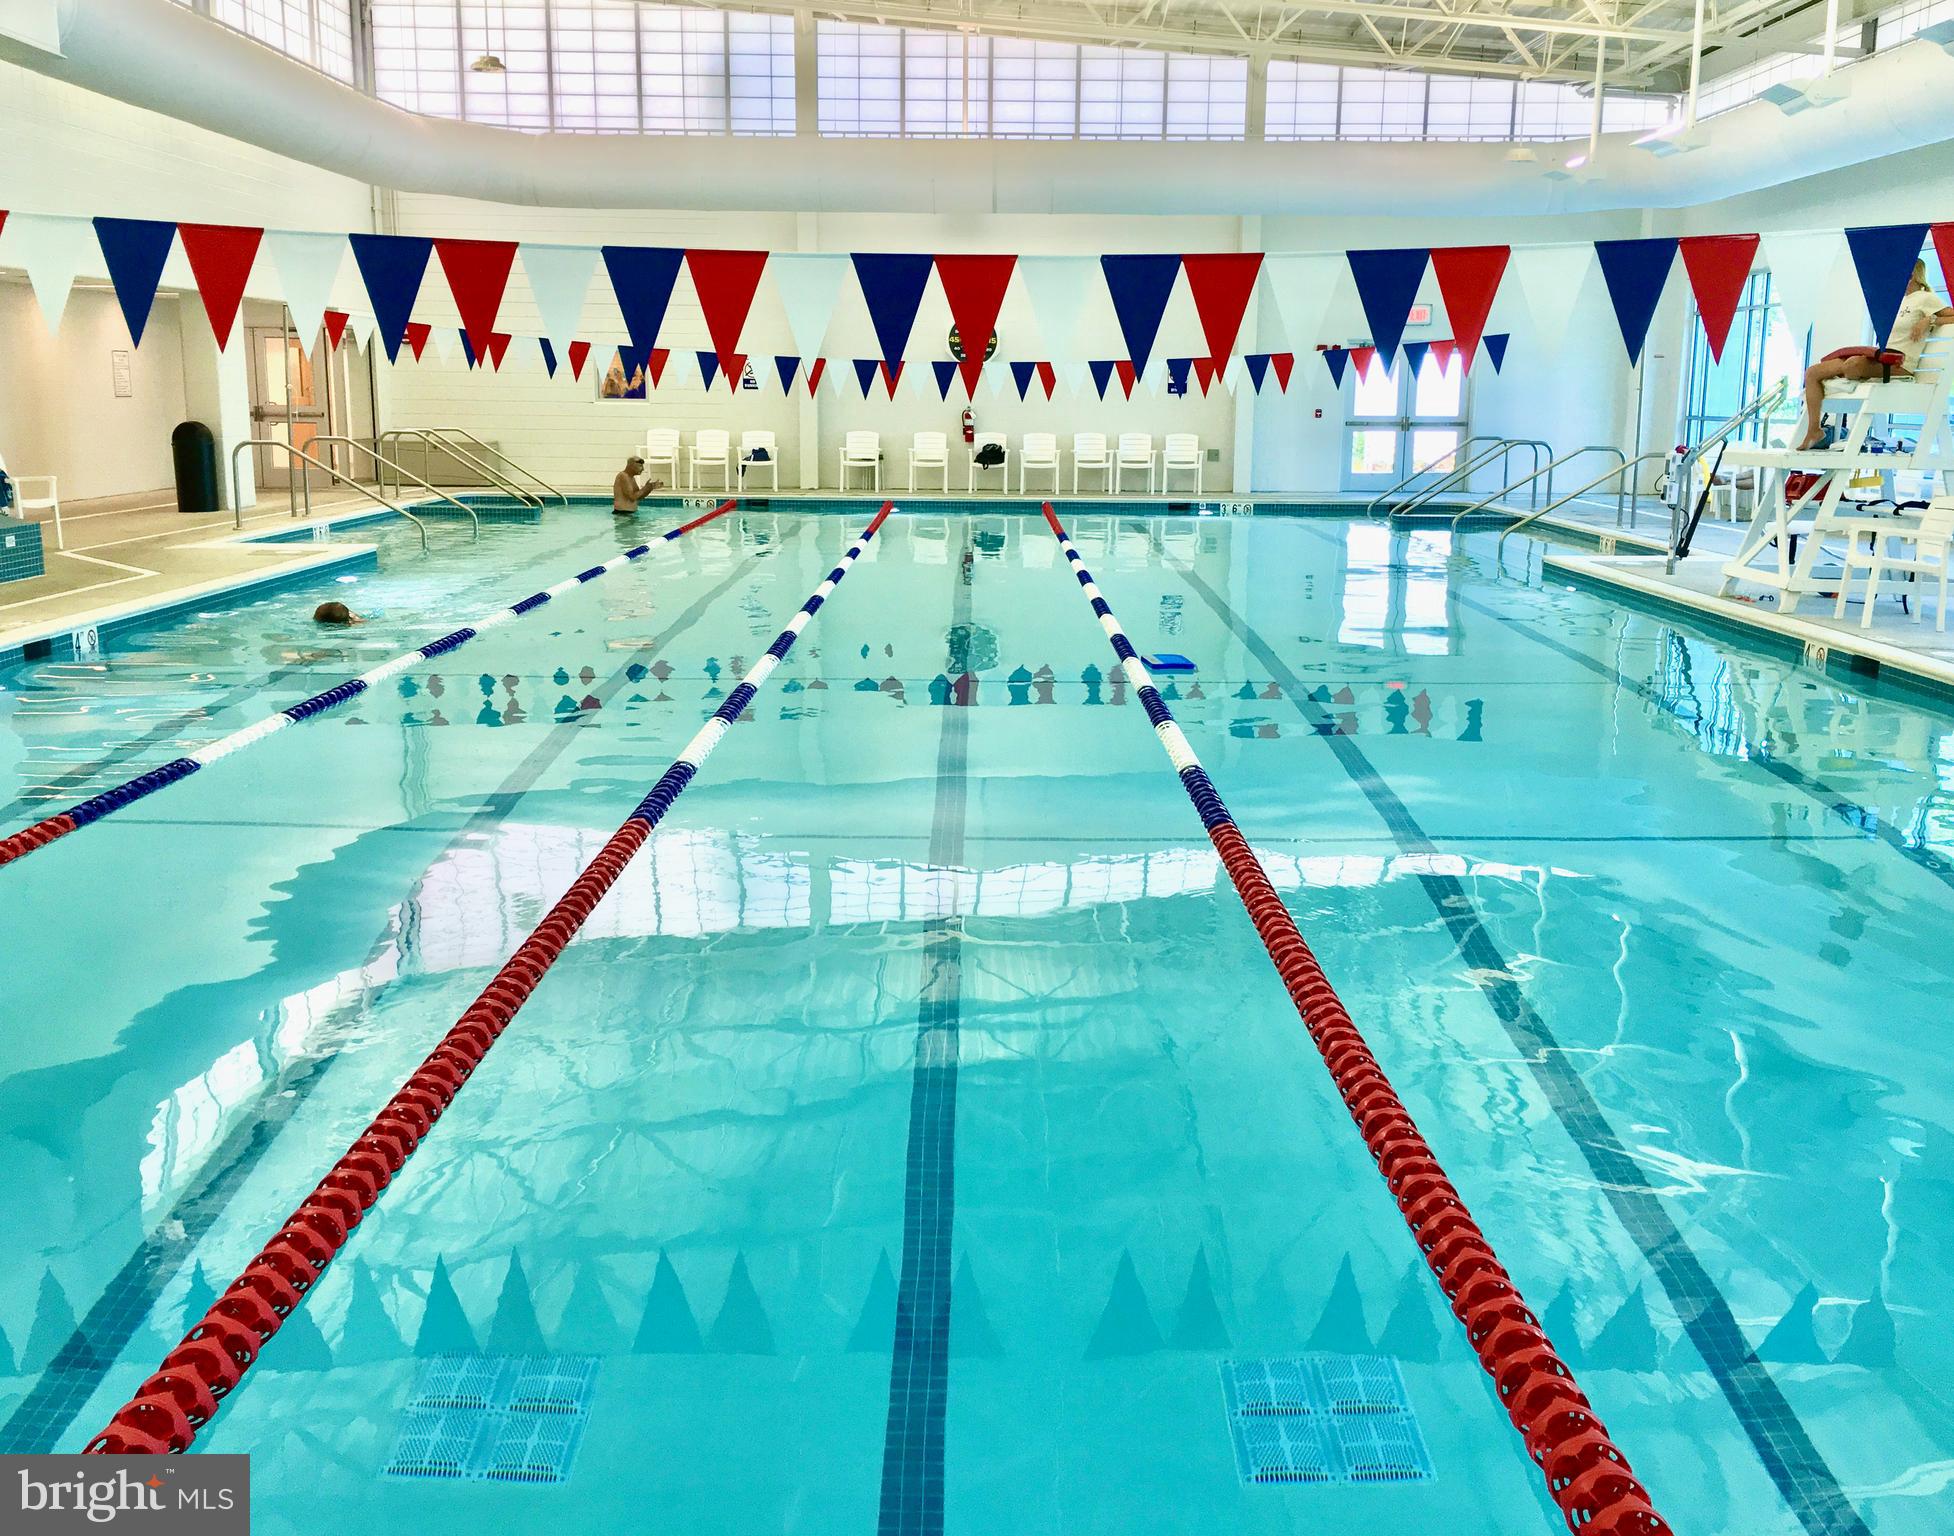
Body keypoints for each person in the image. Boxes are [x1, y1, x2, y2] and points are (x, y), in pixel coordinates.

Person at [1793, 259, 1954, 449]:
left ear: (1911, 275)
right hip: (1879, 357)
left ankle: (1848, 372)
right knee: (1813, 373)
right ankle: (1814, 431)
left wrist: (1930, 320)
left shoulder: (1925, 298)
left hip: (1900, 364)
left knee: (1852, 365)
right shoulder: (1896, 301)